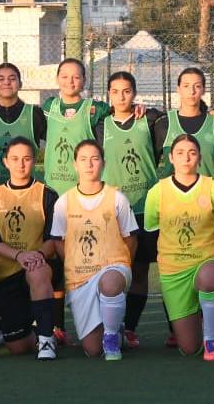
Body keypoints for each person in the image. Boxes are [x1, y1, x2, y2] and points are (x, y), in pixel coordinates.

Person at [48, 139, 138, 360]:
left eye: (95, 159)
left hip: (112, 268)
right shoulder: (63, 202)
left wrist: (121, 268)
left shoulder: (117, 198)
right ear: (75, 165)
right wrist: (73, 261)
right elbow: (58, 240)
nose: (89, 164)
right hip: (80, 276)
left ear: (103, 164)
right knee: (92, 350)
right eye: (83, 159)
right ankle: (115, 328)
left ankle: (111, 337)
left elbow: (131, 238)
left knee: (109, 283)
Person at [143, 134, 214, 360]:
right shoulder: (157, 192)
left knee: (209, 279)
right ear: (170, 158)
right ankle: (205, 322)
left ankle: (211, 340)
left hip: (208, 260)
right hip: (174, 271)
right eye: (180, 153)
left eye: (192, 153)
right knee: (189, 348)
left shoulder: (213, 188)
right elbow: (151, 234)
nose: (186, 158)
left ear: (199, 158)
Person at [94, 71, 160, 349]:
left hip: (145, 207)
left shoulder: (150, 119)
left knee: (141, 270)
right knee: (112, 269)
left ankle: (129, 327)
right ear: (108, 94)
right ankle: (109, 325)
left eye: (126, 91)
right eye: (115, 91)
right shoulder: (101, 126)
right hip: (114, 210)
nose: (121, 96)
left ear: (134, 93)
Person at [0, 136, 61, 359]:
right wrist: (19, 255)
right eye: (15, 159)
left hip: (35, 266)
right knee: (17, 347)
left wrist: (35, 255)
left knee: (37, 272)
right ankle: (37, 331)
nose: (21, 164)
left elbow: (52, 239)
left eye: (26, 158)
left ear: (34, 161)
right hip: (5, 273)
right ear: (6, 162)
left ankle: (47, 341)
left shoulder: (47, 194)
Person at [0, 62, 48, 187]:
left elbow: (55, 140)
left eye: (12, 78)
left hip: (25, 191)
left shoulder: (34, 114)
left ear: (20, 84)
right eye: (0, 79)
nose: (6, 82)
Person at [42, 59, 111, 194]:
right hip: (53, 187)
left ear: (84, 81)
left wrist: (136, 108)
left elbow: (121, 114)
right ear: (57, 79)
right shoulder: (50, 106)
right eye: (65, 77)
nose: (70, 81)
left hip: (84, 188)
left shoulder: (95, 108)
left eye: (76, 77)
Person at [152, 67, 214, 180]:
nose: (192, 91)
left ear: (203, 90)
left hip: (207, 195)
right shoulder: (164, 124)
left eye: (197, 86)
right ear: (178, 89)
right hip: (174, 196)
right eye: (186, 86)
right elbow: (150, 164)